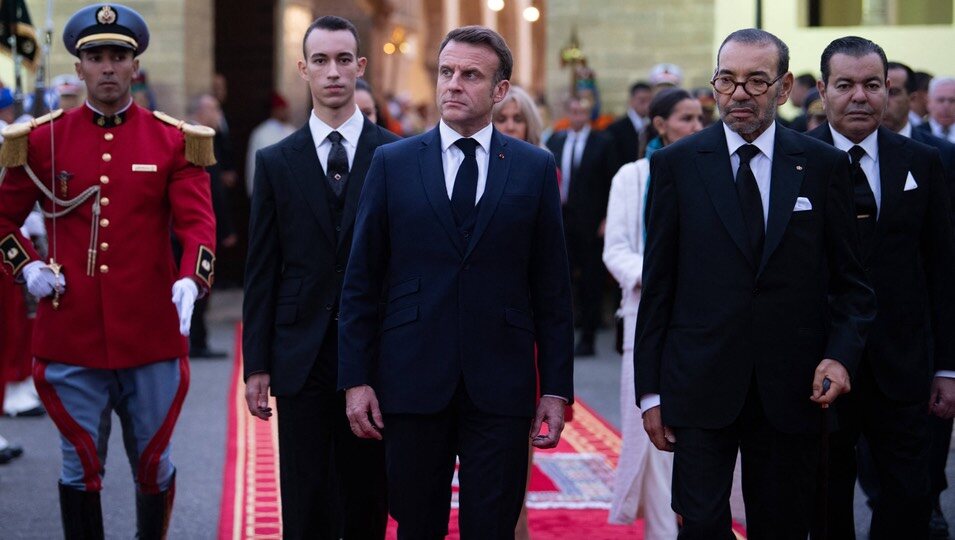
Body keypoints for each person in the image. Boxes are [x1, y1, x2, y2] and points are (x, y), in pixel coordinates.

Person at [635, 28, 876, 539]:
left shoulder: (823, 165)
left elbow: (852, 285)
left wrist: (840, 354)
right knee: (700, 524)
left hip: (792, 388)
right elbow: (659, 285)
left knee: (784, 525)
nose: (738, 93)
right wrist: (650, 393)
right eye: (727, 80)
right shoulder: (675, 165)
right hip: (699, 385)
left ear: (785, 87)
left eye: (755, 80)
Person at [339, 25, 574, 538]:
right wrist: (356, 379)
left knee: (490, 526)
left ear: (500, 90)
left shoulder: (534, 168)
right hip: (412, 378)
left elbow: (553, 289)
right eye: (446, 72)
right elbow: (362, 281)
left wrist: (556, 389)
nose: (453, 84)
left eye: (470, 75)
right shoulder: (392, 163)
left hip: (502, 383)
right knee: (416, 523)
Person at [0, 3, 216, 537]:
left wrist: (192, 277)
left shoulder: (173, 140)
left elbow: (198, 226)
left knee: (154, 466)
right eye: (96, 57)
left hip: (150, 333)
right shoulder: (43, 140)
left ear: (135, 65)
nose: (108, 67)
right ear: (79, 67)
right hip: (71, 333)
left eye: (119, 56)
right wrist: (25, 267)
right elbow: (3, 219)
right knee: (78, 466)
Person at [242, 15, 397, 540]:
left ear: (361, 66)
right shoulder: (276, 161)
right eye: (322, 61)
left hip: (375, 353)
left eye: (344, 59)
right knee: (305, 498)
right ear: (303, 68)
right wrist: (256, 363)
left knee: (366, 494)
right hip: (299, 352)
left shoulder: (398, 156)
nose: (334, 72)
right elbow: (261, 270)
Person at [806, 36, 955, 539]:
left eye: (873, 85)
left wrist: (947, 368)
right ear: (822, 90)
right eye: (845, 85)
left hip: (905, 369)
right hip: (819, 369)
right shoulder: (793, 164)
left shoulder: (922, 161)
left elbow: (942, 270)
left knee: (910, 499)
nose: (860, 97)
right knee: (825, 501)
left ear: (890, 90)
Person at [603, 87, 702, 538]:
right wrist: (661, 276)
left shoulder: (709, 171)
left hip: (702, 322)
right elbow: (616, 249)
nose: (697, 128)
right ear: (660, 125)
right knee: (655, 430)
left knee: (705, 431)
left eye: (701, 119)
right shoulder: (632, 176)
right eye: (686, 119)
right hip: (644, 316)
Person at [546, 95, 619, 357]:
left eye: (582, 112)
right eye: (573, 110)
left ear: (589, 114)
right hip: (560, 219)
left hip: (591, 222)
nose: (577, 115)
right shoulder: (556, 139)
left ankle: (588, 337)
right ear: (568, 112)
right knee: (561, 279)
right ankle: (564, 334)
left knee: (591, 281)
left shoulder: (603, 142)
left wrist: (607, 218)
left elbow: (612, 182)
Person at [244, 92, 295, 196]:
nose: (286, 112)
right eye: (283, 109)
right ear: (275, 111)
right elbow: (253, 164)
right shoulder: (261, 133)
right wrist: (254, 191)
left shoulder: (292, 131)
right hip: (269, 190)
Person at [606, 81, 652, 165]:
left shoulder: (653, 127)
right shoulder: (615, 129)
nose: (647, 105)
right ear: (631, 101)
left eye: (650, 101)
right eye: (642, 101)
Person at [919, 76, 955, 144]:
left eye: (952, 100)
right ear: (928, 102)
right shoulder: (916, 134)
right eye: (940, 100)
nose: (946, 106)